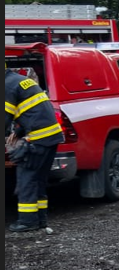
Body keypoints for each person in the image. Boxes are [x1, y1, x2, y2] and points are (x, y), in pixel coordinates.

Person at [5, 63, 64, 232]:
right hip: (51, 137)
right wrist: (19, 130)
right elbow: (33, 110)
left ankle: (27, 221)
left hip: (38, 139)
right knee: (38, 180)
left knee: (26, 179)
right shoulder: (21, 81)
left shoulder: (6, 87)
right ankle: (41, 219)